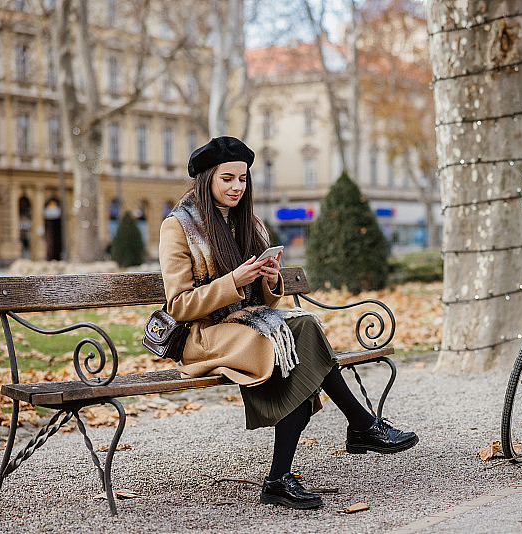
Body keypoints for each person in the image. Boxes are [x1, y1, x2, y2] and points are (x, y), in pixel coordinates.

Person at [159, 136, 418, 510]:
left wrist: (268, 278)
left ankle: (284, 476)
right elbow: (180, 305)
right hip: (205, 335)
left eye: (243, 179)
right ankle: (360, 427)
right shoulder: (179, 227)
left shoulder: (252, 224)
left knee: (302, 337)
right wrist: (235, 282)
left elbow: (268, 303)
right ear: (206, 180)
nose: (236, 187)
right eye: (227, 178)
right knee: (299, 341)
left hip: (250, 326)